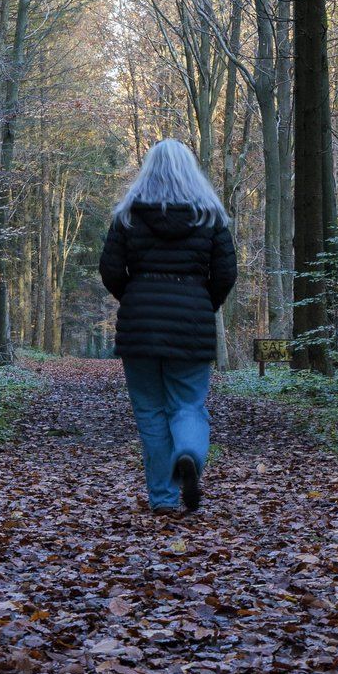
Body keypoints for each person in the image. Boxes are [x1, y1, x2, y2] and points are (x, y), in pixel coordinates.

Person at [100, 139, 237, 513]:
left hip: (140, 325)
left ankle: (162, 499)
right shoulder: (210, 215)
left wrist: (135, 298)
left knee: (150, 412)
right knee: (188, 404)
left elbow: (110, 270)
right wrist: (203, 302)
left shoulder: (128, 214)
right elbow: (225, 273)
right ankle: (189, 454)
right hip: (191, 323)